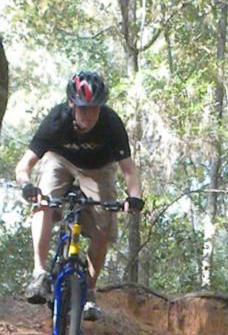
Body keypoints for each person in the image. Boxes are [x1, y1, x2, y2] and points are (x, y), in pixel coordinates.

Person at [15, 70, 144, 320]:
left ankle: (90, 291)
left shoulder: (111, 123)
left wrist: (134, 197)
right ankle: (39, 272)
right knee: (43, 202)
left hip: (98, 168)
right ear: (72, 104)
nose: (89, 114)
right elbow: (24, 166)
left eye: (94, 108)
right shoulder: (57, 120)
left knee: (103, 228)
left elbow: (128, 169)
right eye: (83, 108)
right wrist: (27, 186)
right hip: (60, 161)